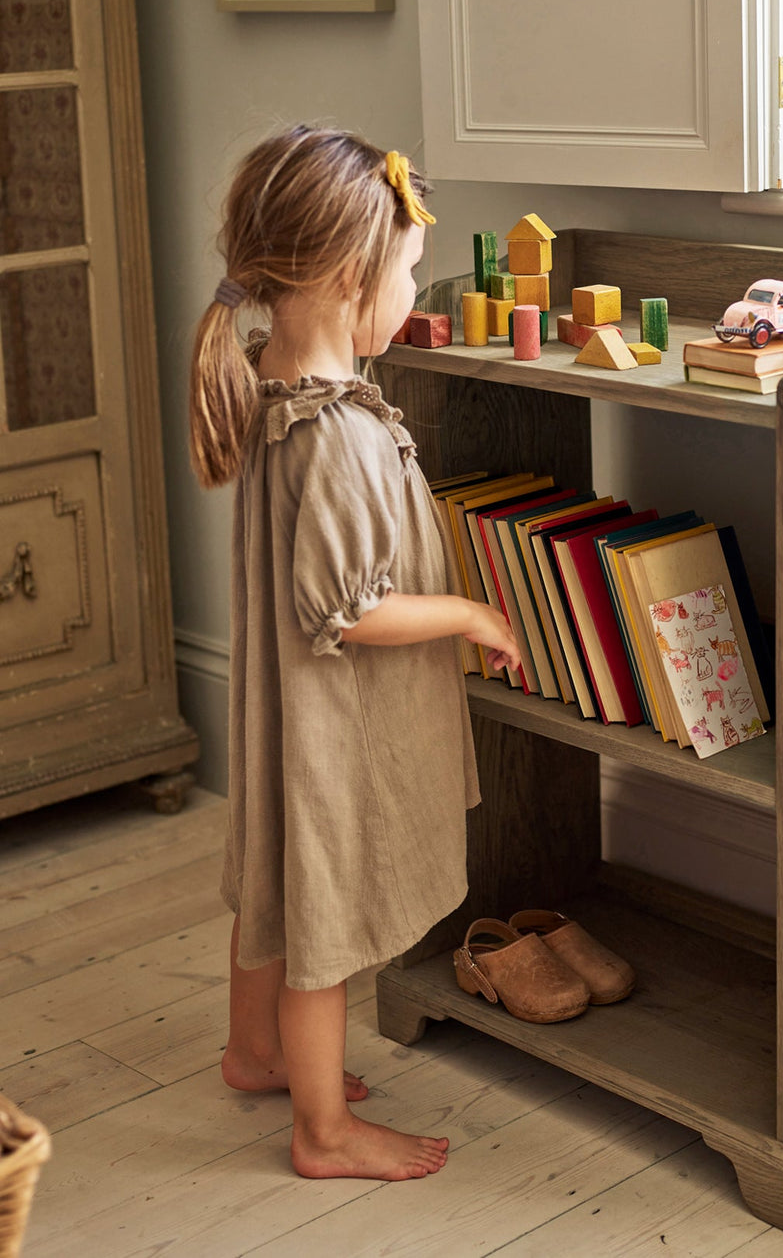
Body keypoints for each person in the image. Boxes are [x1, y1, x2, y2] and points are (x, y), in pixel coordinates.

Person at [188, 128, 519, 1182]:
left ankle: (254, 1055)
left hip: (287, 712)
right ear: (345, 277)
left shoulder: (275, 387)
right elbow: (349, 610)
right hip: (326, 720)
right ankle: (322, 1132)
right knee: (322, 928)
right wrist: (465, 614)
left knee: (279, 888)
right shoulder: (331, 436)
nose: (414, 288)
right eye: (410, 271)